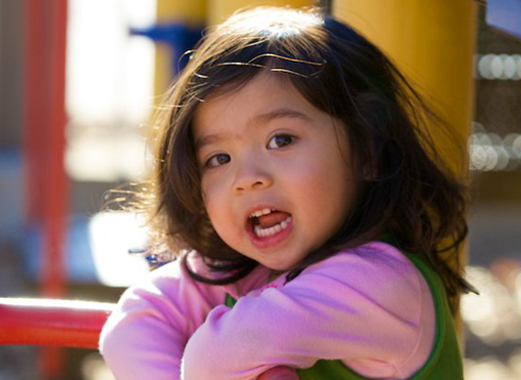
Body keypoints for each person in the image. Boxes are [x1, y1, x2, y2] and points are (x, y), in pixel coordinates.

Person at [99, 6, 474, 380]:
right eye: (219, 158)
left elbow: (217, 357)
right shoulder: (251, 270)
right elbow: (137, 317)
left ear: (367, 147)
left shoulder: (383, 284)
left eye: (281, 140)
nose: (246, 179)